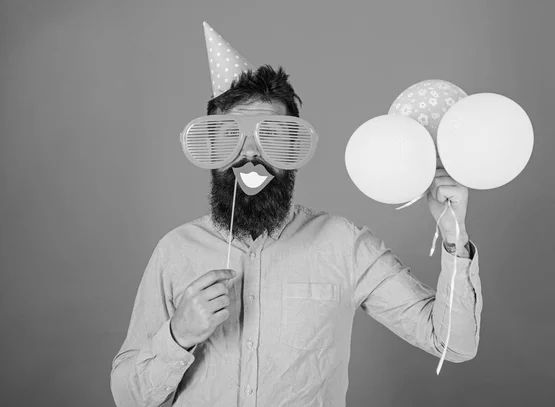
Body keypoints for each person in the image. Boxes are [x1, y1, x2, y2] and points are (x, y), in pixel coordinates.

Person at [110, 23, 482, 407]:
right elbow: (128, 397)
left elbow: (453, 343)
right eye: (231, 138)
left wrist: (454, 237)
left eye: (271, 137)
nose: (250, 155)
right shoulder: (174, 251)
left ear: (293, 149)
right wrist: (179, 334)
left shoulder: (344, 245)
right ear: (212, 148)